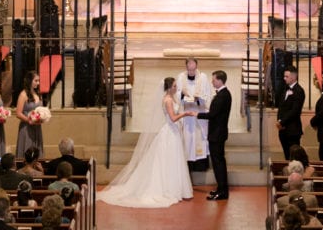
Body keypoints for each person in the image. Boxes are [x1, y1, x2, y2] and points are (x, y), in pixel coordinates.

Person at [99, 75, 197, 207]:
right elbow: (173, 118)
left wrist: (184, 95)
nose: (176, 87)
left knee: (173, 161)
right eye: (174, 86)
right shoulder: (167, 100)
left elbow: (178, 101)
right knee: (168, 161)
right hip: (169, 132)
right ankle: (167, 189)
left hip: (173, 132)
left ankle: (175, 188)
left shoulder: (172, 97)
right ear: (168, 88)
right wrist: (185, 114)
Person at [197, 68, 232, 201]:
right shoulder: (223, 94)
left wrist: (198, 114)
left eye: (213, 79)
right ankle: (220, 188)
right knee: (218, 163)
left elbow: (212, 115)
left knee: (218, 164)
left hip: (217, 134)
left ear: (219, 80)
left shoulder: (223, 95)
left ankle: (223, 191)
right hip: (218, 133)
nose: (212, 82)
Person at [176, 57, 212, 168]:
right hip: (186, 113)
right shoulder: (181, 77)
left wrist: (199, 98)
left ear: (196, 66)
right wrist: (182, 95)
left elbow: (208, 94)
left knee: (199, 137)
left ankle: (201, 164)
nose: (191, 69)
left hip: (199, 112)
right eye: (189, 66)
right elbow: (176, 93)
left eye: (193, 66)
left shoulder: (203, 77)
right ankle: (189, 164)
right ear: (186, 66)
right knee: (188, 137)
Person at [276, 66, 306, 160]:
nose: (284, 78)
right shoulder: (285, 89)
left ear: (293, 77)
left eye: (286, 76)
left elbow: (295, 111)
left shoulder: (299, 91)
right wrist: (279, 121)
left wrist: (282, 122)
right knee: (286, 155)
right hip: (283, 129)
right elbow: (281, 107)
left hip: (292, 129)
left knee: (294, 156)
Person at [16, 69, 45, 159]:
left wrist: (42, 117)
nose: (38, 83)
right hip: (26, 128)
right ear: (29, 81)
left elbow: (41, 110)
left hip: (37, 127)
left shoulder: (38, 94)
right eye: (36, 80)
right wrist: (29, 120)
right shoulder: (23, 94)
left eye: (38, 81)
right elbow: (18, 113)